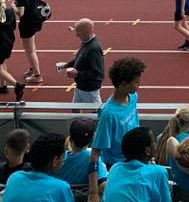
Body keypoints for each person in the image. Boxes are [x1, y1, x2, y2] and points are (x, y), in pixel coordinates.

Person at [88, 57, 146, 199]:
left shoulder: (133, 97)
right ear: (122, 84)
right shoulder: (109, 115)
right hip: (117, 167)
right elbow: (95, 154)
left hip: (136, 161)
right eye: (136, 82)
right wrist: (93, 193)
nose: (139, 85)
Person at [102, 127, 171, 202]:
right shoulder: (159, 172)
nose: (156, 144)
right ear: (147, 151)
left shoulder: (115, 168)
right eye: (154, 142)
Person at [3, 133, 73, 202]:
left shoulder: (14, 177)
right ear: (55, 160)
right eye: (63, 156)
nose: (64, 159)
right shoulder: (61, 188)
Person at [58, 18, 105, 105]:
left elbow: (97, 73)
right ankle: (77, 118)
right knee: (74, 108)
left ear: (86, 31)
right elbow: (80, 57)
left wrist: (78, 74)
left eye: (78, 32)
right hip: (81, 85)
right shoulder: (85, 42)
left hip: (89, 88)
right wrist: (67, 65)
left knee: (97, 111)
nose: (76, 35)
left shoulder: (93, 48)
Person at [10, 0, 45, 84]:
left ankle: (37, 75)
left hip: (27, 25)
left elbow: (20, 13)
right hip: (35, 22)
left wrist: (13, 6)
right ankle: (32, 68)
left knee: (30, 51)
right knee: (32, 48)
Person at [56, 117, 108, 191]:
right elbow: (102, 185)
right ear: (92, 138)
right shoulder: (93, 159)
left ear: (70, 137)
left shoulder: (59, 159)